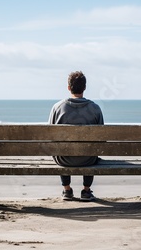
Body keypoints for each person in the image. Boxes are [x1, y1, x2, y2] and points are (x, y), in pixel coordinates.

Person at [48, 71, 104, 201]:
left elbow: (51, 137)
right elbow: (101, 139)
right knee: (91, 149)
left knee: (60, 147)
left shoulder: (57, 107)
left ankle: (67, 190)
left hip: (63, 159)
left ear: (68, 87)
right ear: (84, 88)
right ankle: (86, 191)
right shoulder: (95, 108)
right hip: (88, 159)